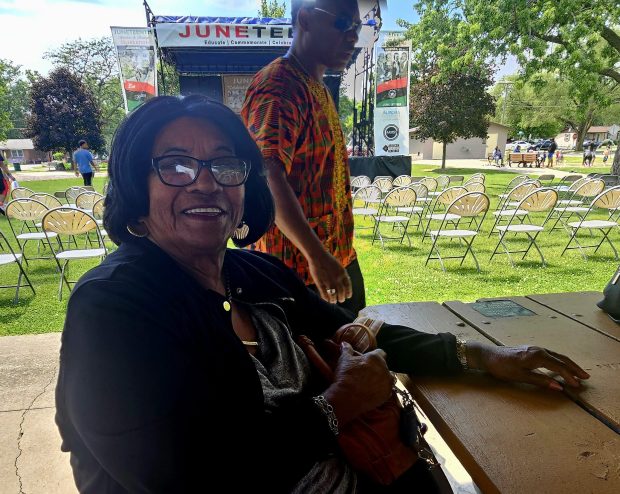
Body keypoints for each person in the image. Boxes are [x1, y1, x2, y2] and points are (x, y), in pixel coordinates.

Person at [56, 95, 591, 493]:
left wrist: (480, 354)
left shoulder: (255, 275)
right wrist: (337, 406)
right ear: (134, 184)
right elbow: (180, 476)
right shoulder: (114, 307)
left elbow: (354, 333)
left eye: (225, 164)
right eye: (174, 164)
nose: (205, 182)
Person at [241, 0, 365, 315]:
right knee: (318, 362)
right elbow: (267, 176)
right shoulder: (280, 85)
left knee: (357, 353)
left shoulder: (318, 87)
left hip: (334, 259)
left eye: (356, 27)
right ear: (305, 19)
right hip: (294, 274)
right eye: (342, 23)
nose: (352, 36)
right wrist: (316, 255)